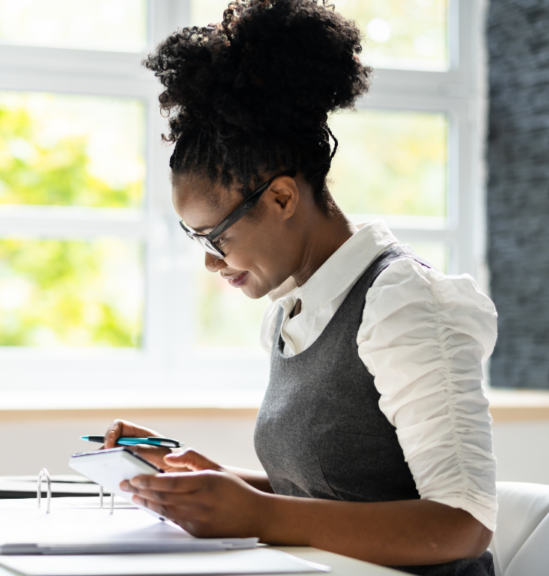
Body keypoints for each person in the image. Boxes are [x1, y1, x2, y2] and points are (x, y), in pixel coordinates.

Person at [102, 1, 499, 574]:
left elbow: (461, 524)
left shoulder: (405, 303)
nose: (212, 264)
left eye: (216, 237)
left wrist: (260, 515)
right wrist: (202, 480)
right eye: (197, 241)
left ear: (282, 198)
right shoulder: (295, 307)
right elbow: (331, 496)